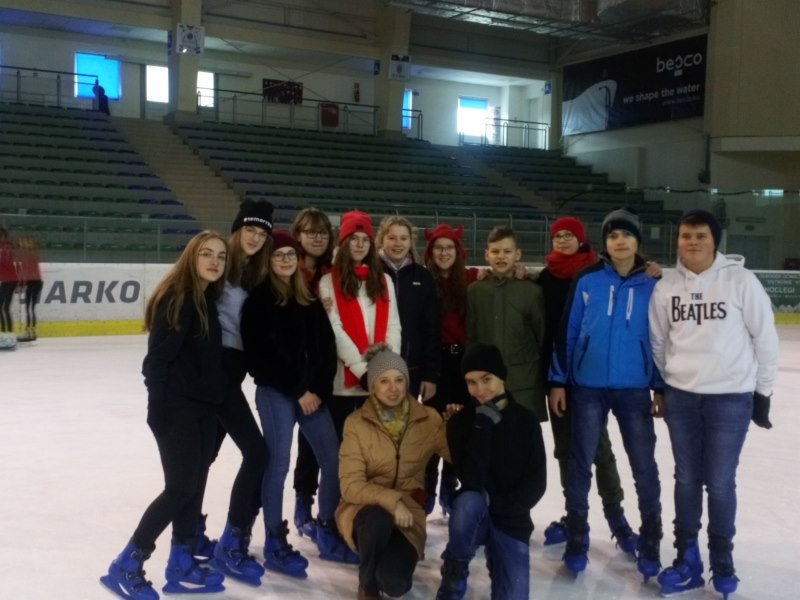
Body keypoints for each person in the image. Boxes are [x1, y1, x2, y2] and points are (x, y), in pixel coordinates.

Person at [649, 209, 779, 599]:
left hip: (730, 399)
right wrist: (670, 382)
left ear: (714, 240)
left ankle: (722, 559)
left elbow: (765, 338)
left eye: (700, 236)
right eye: (686, 236)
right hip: (682, 398)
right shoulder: (666, 287)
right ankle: (687, 558)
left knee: (720, 482)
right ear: (678, 240)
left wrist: (763, 392)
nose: (692, 242)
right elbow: (659, 342)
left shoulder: (741, 281)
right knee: (686, 479)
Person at [100, 231, 229, 600]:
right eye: (206, 253)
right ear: (191, 256)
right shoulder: (179, 297)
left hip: (202, 409)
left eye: (221, 256)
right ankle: (126, 564)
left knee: (194, 486)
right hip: (177, 409)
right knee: (180, 489)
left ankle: (181, 562)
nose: (215, 261)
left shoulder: (206, 298)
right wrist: (158, 409)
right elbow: (155, 362)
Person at [548, 207, 664, 581]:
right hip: (588, 387)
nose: (620, 241)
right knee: (580, 463)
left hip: (634, 389)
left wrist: (659, 386)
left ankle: (651, 539)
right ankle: (577, 536)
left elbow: (663, 338)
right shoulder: (588, 278)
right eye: (613, 235)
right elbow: (568, 331)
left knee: (643, 465)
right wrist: (559, 380)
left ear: (637, 241)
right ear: (605, 242)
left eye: (627, 234)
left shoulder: (655, 283)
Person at [241, 229, 352, 576]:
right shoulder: (259, 301)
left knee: (333, 461)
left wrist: (317, 390)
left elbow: (326, 348)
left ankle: (326, 526)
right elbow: (260, 358)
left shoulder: (308, 298)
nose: (286, 260)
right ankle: (275, 540)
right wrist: (298, 390)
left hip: (312, 396)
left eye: (291, 254)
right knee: (277, 466)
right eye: (279, 255)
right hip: (277, 394)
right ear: (269, 260)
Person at [537, 217, 636, 553]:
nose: (562, 240)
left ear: (581, 239)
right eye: (557, 235)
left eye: (569, 235)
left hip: (590, 377)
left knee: (598, 449)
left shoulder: (596, 273)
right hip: (557, 377)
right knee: (565, 449)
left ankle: (615, 513)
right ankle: (574, 514)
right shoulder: (544, 278)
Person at [336, 346, 450, 600]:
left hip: (409, 516)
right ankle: (367, 586)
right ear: (373, 386)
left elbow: (456, 456)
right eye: (384, 381)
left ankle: (382, 567)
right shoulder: (356, 423)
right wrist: (392, 501)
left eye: (399, 380)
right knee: (377, 520)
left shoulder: (428, 419)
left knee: (396, 584)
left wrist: (457, 425)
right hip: (363, 510)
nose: (393, 388)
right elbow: (350, 486)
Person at [436, 343, 547, 600]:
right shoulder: (461, 423)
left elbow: (536, 485)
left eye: (486, 379)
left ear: (502, 377)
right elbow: (471, 480)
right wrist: (481, 427)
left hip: (512, 520)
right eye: (471, 382)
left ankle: (499, 559)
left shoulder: (527, 421)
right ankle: (455, 569)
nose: (479, 389)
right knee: (466, 502)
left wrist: (498, 506)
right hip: (476, 517)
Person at [204, 200, 273, 586]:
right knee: (257, 453)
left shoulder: (255, 272)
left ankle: (190, 534)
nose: (255, 237)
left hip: (235, 369)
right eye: (250, 229)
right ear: (237, 229)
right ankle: (230, 542)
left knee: (205, 456)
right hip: (216, 369)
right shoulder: (218, 264)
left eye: (262, 233)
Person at [318, 210, 401, 438]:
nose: (360, 244)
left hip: (379, 382)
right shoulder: (327, 281)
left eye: (365, 240)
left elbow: (393, 326)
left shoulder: (384, 280)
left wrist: (386, 368)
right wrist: (363, 371)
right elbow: (334, 329)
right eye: (354, 238)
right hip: (344, 385)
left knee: (376, 450)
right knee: (343, 450)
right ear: (344, 242)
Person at [421, 223, 479, 516]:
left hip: (463, 363)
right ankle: (428, 484)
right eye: (438, 248)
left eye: (449, 248)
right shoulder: (423, 281)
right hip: (435, 362)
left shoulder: (471, 279)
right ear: (430, 253)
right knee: (433, 424)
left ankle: (449, 481)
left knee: (459, 423)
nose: (444, 253)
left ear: (458, 252)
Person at [466, 225, 547, 421]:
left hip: (524, 383)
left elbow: (541, 336)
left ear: (517, 254)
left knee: (523, 433)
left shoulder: (532, 291)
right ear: (486, 255)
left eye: (507, 251)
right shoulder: (476, 291)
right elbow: (471, 336)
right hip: (487, 383)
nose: (501, 256)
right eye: (495, 251)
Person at [290, 207, 336, 540]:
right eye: (310, 232)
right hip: (297, 369)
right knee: (306, 443)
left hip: (328, 367)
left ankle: (329, 508)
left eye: (322, 232)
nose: (317, 238)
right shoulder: (289, 268)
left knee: (325, 442)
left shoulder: (333, 270)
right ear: (298, 235)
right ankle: (303, 499)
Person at [376, 215, 441, 400]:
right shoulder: (371, 272)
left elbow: (431, 328)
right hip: (376, 369)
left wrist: (430, 375)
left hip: (411, 370)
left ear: (411, 241)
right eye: (392, 238)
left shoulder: (423, 276)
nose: (398, 243)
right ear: (381, 240)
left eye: (403, 238)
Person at [15, 235, 43, 342]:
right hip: (34, 281)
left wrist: (20, 283)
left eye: (23, 242)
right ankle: (31, 331)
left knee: (29, 307)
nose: (21, 244)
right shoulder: (31, 253)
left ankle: (30, 332)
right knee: (30, 307)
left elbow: (24, 270)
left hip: (33, 282)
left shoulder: (29, 254)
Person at [0, 227, 18, 336]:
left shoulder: (7, 247)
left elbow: (6, 262)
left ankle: (8, 334)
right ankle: (4, 333)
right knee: (3, 308)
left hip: (10, 280)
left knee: (5, 308)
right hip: (6, 280)